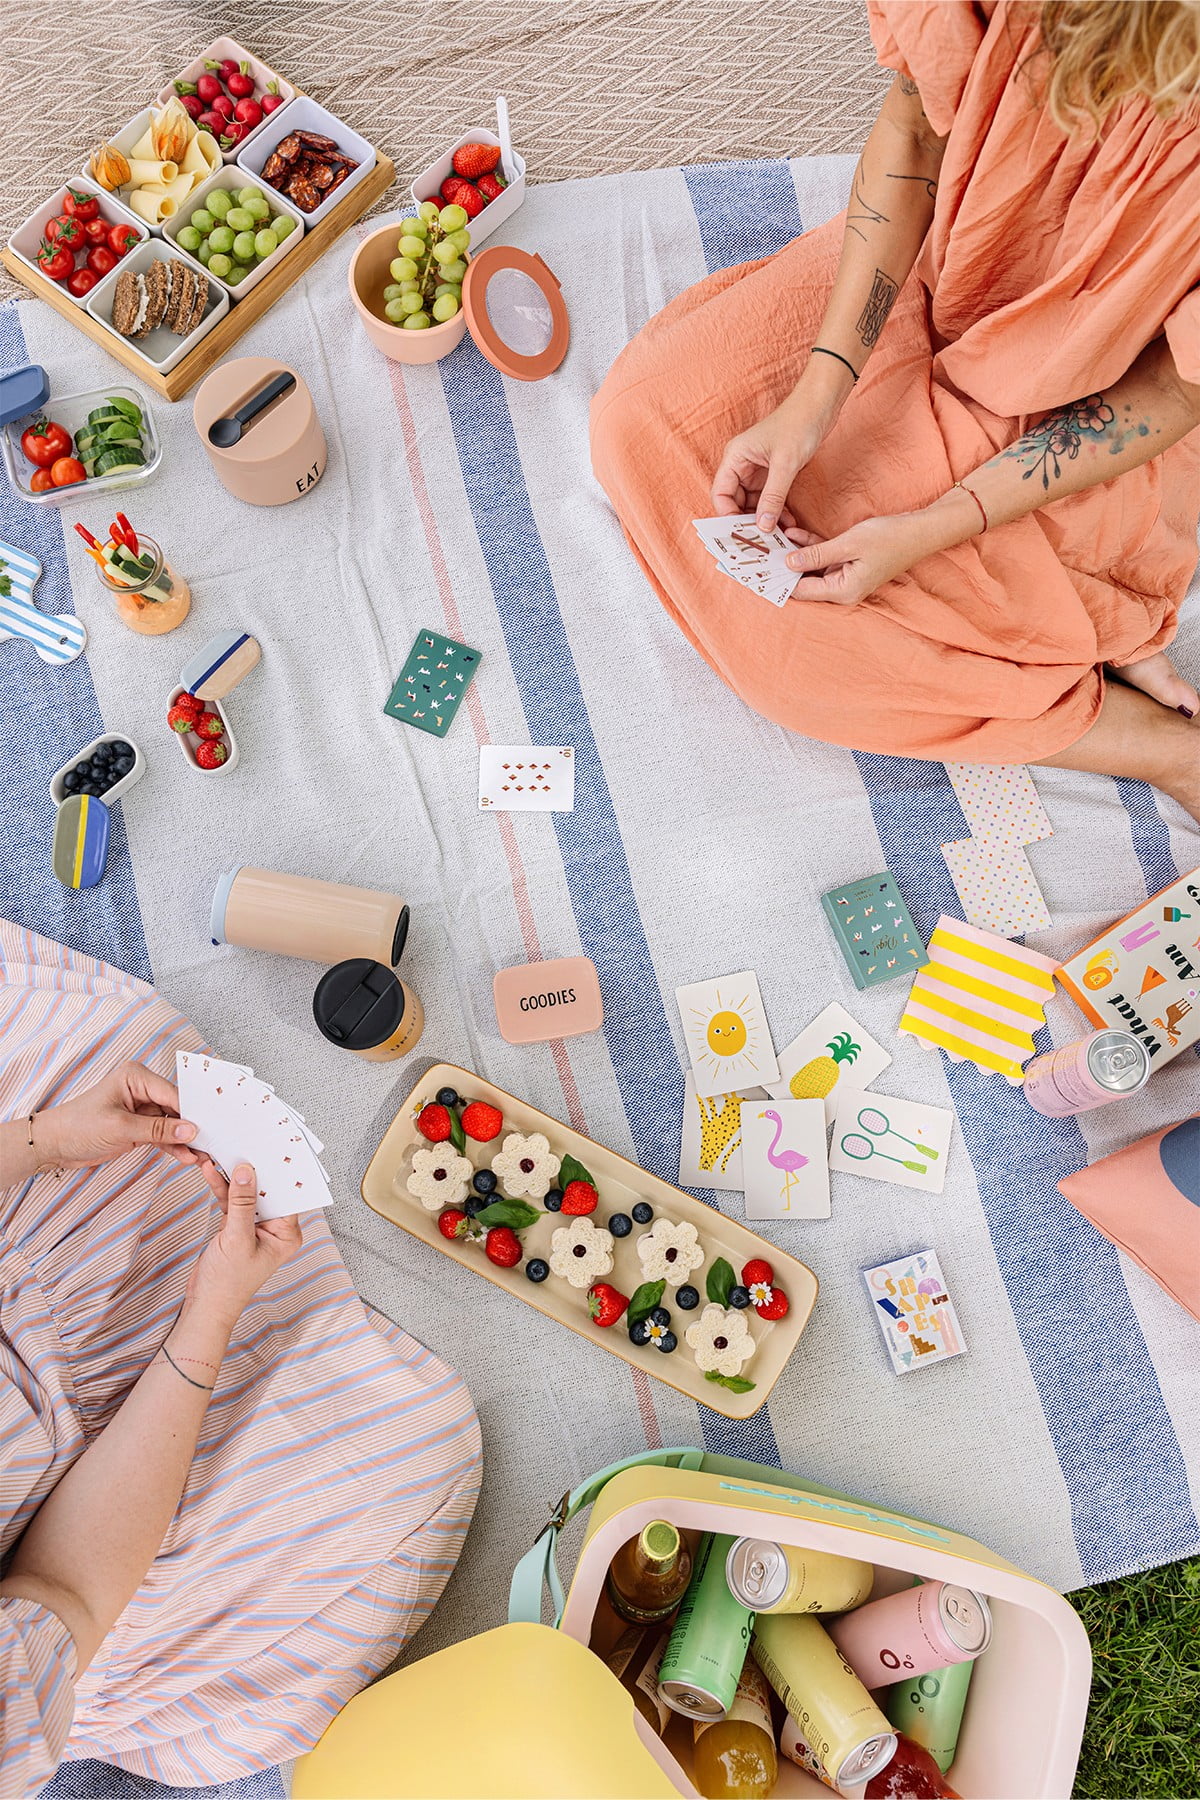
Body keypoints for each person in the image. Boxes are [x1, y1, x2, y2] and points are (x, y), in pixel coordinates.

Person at [591, 1, 1200, 820]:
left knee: (801, 670)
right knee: (635, 422)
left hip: (1083, 407)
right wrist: (818, 391)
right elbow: (913, 132)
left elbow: (1168, 392)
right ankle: (1074, 642)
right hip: (929, 281)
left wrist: (934, 525)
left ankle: (1162, 746)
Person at [0, 921, 481, 1792]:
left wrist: (44, 1140)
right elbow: (65, 1586)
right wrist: (210, 1315)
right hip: (81, 1587)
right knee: (410, 1464)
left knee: (125, 1054)